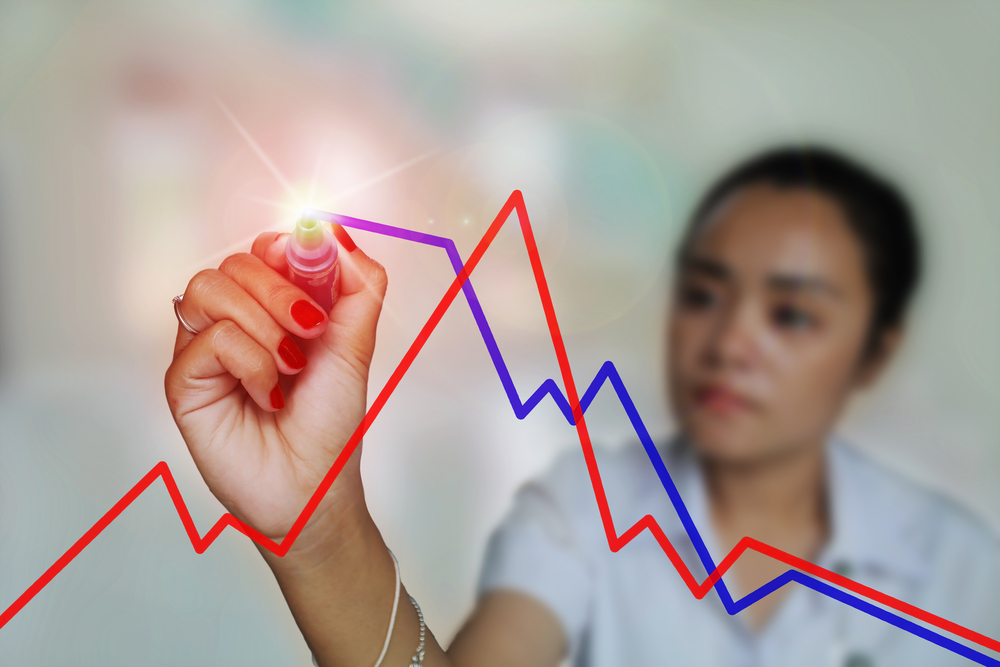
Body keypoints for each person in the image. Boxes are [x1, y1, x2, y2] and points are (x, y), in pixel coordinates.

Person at [165, 146, 1000, 666]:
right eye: (706, 294)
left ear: (877, 348)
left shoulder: (961, 568)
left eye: (792, 312)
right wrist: (320, 532)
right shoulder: (579, 514)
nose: (732, 339)